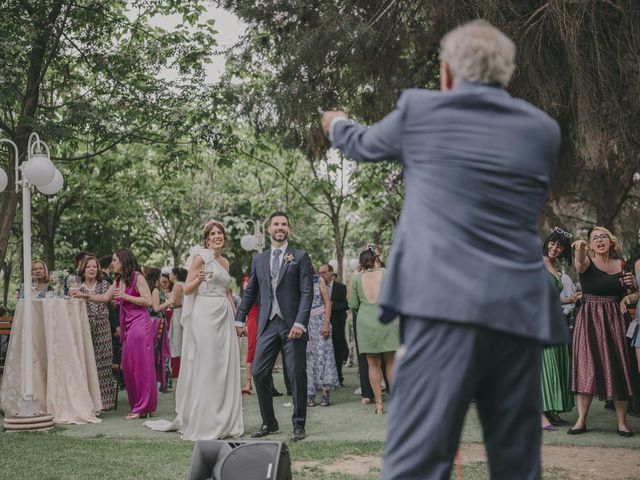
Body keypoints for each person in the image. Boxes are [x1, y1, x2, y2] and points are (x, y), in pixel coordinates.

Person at [322, 20, 567, 479]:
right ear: (505, 74)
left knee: (417, 462)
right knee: (517, 463)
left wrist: (335, 122)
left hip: (442, 311)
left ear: (449, 73)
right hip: (518, 314)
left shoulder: (422, 112)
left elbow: (361, 143)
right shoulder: (542, 131)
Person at [144, 221, 243, 440]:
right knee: (207, 365)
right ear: (207, 239)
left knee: (223, 366)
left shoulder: (225, 262)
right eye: (213, 234)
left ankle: (223, 419)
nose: (217, 236)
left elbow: (227, 292)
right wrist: (199, 278)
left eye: (220, 233)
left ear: (223, 238)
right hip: (204, 315)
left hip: (224, 314)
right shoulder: (201, 258)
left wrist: (237, 320)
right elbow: (186, 290)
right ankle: (205, 420)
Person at [235, 212, 313, 442]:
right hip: (268, 323)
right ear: (269, 229)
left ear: (288, 228)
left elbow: (307, 293)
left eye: (284, 224)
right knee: (259, 372)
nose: (280, 227)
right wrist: (239, 318)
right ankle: (269, 422)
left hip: (292, 324)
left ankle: (299, 424)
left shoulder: (300, 257)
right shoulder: (259, 259)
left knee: (296, 374)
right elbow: (251, 292)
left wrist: (301, 322)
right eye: (276, 224)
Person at [74, 248, 156, 419]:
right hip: (127, 324)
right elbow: (104, 298)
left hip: (139, 324)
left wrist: (126, 296)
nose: (111, 264)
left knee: (140, 366)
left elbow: (147, 301)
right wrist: (84, 295)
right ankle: (138, 405)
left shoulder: (137, 277)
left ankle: (143, 407)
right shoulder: (118, 280)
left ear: (123, 261)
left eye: (114, 260)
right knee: (128, 365)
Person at [570, 226, 635, 436]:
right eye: (594, 238)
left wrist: (631, 286)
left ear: (610, 241)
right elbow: (579, 263)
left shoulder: (622, 264)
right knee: (586, 367)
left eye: (603, 237)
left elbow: (631, 292)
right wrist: (579, 249)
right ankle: (581, 421)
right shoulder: (587, 262)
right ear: (590, 244)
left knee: (620, 367)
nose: (599, 240)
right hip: (589, 319)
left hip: (616, 319)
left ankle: (622, 423)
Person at [349, 249, 398, 415]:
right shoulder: (386, 273)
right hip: (387, 319)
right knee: (391, 363)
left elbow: (353, 304)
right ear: (376, 259)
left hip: (366, 323)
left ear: (361, 262)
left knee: (373, 364)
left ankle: (378, 404)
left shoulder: (356, 279)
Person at [540, 228, 577, 431]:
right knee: (545, 367)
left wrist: (568, 299)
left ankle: (552, 411)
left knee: (558, 364)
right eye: (552, 243)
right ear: (547, 242)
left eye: (560, 246)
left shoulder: (555, 266)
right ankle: (540, 414)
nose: (555, 248)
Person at [75, 255, 116, 412]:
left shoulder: (104, 284)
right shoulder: (77, 286)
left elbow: (111, 303)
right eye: (88, 266)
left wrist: (112, 302)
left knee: (103, 363)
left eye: (94, 266)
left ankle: (104, 403)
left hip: (102, 327)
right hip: (83, 327)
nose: (92, 269)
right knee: (85, 362)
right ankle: (87, 402)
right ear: (83, 269)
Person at [306, 268, 339, 407]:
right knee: (308, 358)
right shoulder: (297, 281)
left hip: (320, 321)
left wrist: (326, 323)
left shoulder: (318, 280)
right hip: (306, 324)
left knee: (324, 355)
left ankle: (325, 392)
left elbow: (328, 303)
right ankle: (310, 393)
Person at [319, 264, 349, 386]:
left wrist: (331, 305)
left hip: (336, 323)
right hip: (320, 323)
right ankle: (322, 379)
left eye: (324, 272)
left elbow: (346, 305)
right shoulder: (316, 287)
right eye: (320, 273)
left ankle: (338, 377)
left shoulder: (341, 287)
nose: (322, 275)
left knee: (336, 350)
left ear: (331, 273)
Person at [147, 267, 172, 392]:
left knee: (159, 352)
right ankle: (161, 382)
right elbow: (156, 308)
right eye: (161, 275)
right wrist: (169, 302)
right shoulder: (155, 290)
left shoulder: (155, 289)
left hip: (156, 322)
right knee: (159, 351)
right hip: (157, 323)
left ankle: (162, 382)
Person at [241, 273, 259, 395]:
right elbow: (247, 299)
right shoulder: (247, 281)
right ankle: (248, 383)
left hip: (267, 316)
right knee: (252, 348)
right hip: (253, 316)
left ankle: (267, 384)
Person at [168, 267, 186, 379]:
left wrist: (168, 304)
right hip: (180, 313)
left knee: (177, 340)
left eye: (171, 273)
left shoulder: (178, 285)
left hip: (178, 313)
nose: (169, 275)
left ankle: (177, 371)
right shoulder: (182, 284)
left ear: (175, 275)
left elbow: (177, 303)